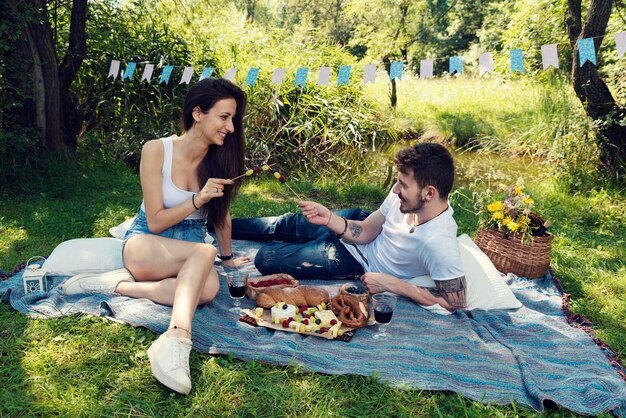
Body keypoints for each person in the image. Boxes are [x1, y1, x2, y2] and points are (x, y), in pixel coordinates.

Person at [62, 78, 249, 394]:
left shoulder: (220, 159)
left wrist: (228, 259)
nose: (230, 127)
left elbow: (221, 217)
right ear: (198, 113)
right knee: (204, 254)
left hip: (186, 248)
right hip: (146, 241)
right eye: (224, 117)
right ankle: (176, 339)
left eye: (233, 119)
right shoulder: (156, 150)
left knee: (208, 290)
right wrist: (196, 200)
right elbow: (157, 221)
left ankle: (120, 286)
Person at [231, 142, 466, 313]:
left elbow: (454, 304)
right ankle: (220, 223)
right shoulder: (402, 198)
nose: (395, 191)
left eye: (402, 185)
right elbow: (366, 230)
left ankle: (300, 242)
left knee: (267, 257)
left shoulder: (439, 243)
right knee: (284, 224)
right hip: (359, 224)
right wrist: (329, 219)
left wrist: (391, 284)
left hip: (354, 260)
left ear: (429, 193)